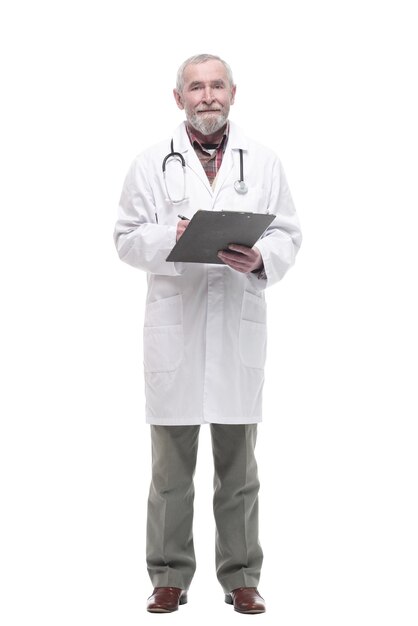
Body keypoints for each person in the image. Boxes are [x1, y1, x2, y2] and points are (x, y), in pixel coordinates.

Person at [114, 53, 302, 614]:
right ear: (179, 99)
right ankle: (169, 575)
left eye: (216, 85)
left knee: (239, 474)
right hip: (176, 329)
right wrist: (171, 235)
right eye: (195, 87)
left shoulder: (263, 162)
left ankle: (242, 575)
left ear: (233, 93)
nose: (207, 96)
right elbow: (125, 238)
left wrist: (260, 258)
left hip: (236, 327)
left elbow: (289, 233)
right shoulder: (152, 163)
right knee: (170, 474)